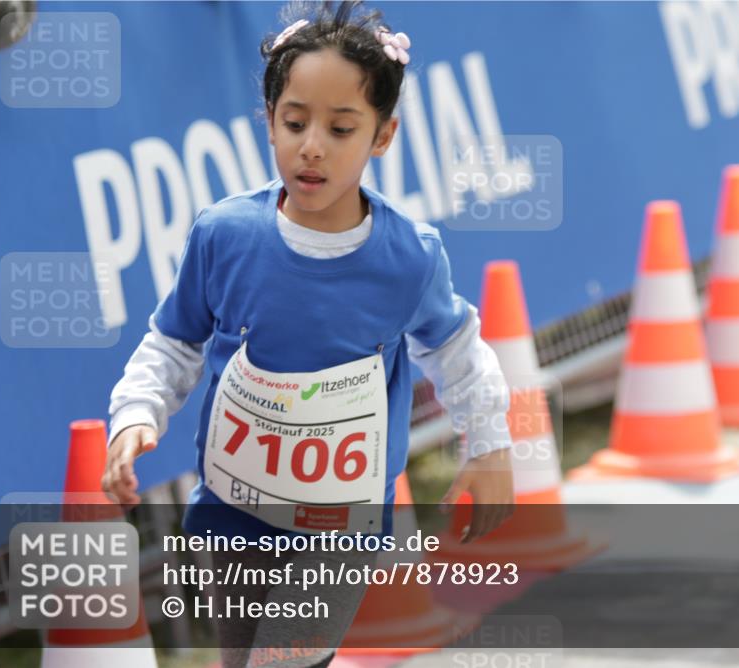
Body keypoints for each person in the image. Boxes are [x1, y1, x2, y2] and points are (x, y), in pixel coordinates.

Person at [101, 2, 515, 665]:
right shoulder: (225, 235)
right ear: (269, 123)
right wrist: (134, 416)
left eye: (341, 127)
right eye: (294, 123)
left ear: (382, 135)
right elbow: (174, 341)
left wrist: (491, 444)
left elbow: (456, 346)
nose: (312, 145)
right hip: (234, 512)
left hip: (339, 526)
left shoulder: (408, 255)